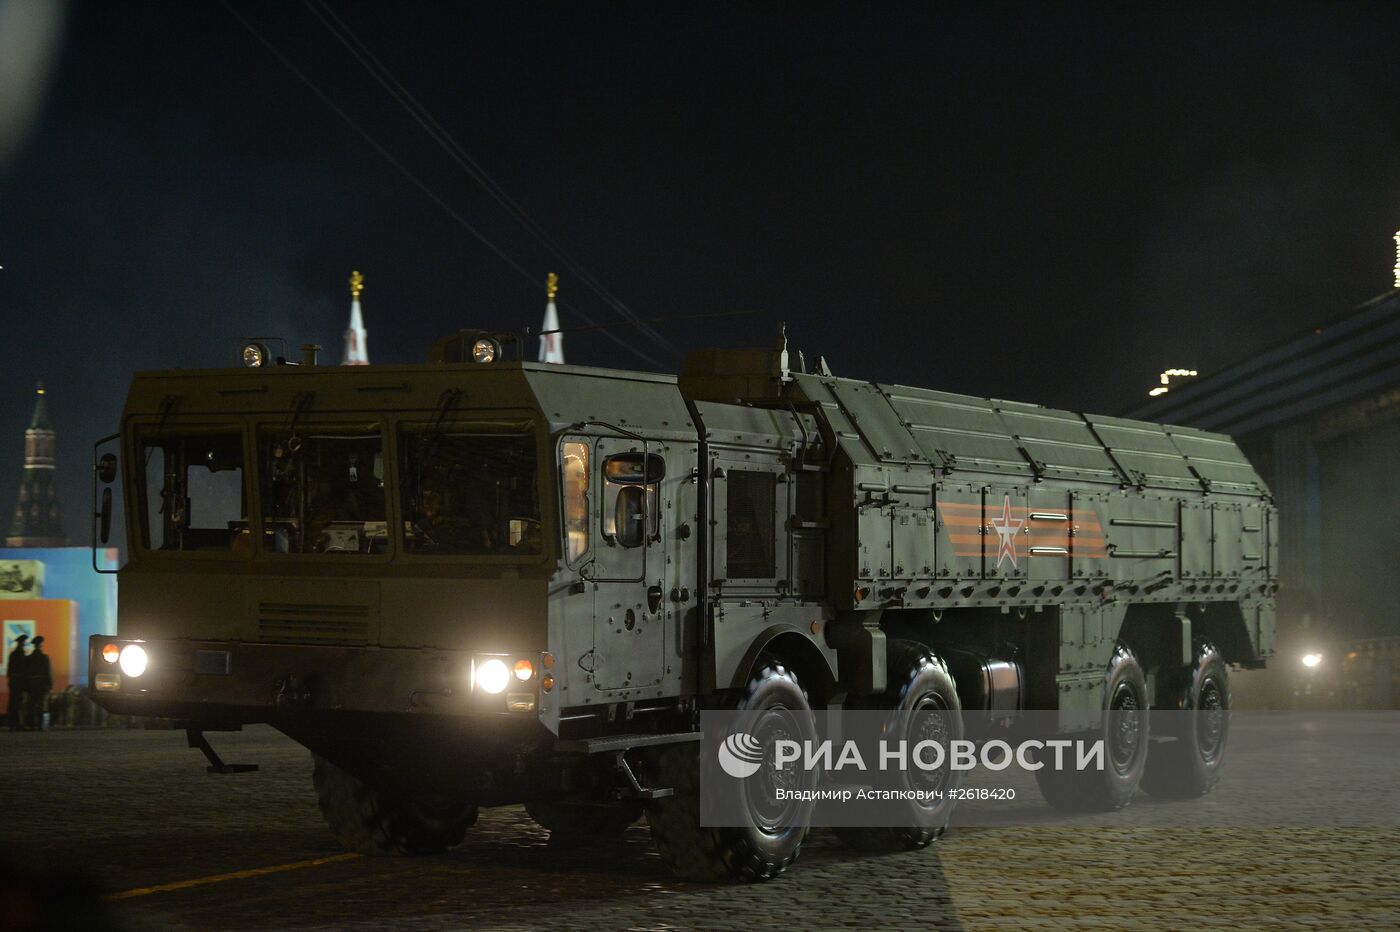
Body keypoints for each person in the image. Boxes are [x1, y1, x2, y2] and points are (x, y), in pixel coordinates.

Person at [24, 635, 52, 730]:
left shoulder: (29, 658)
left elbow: (26, 673)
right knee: (41, 704)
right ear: (40, 646)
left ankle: (31, 724)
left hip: (31, 684)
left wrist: (26, 686)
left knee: (31, 704)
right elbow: (48, 673)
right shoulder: (44, 657)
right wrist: (49, 685)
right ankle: (40, 725)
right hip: (41, 684)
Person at [6, 634, 29, 731]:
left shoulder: (13, 654)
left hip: (13, 681)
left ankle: (12, 724)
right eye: (24, 642)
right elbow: (24, 670)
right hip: (20, 681)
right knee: (19, 703)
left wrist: (11, 680)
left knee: (12, 702)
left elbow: (9, 670)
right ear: (22, 643)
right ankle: (19, 723)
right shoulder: (21, 654)